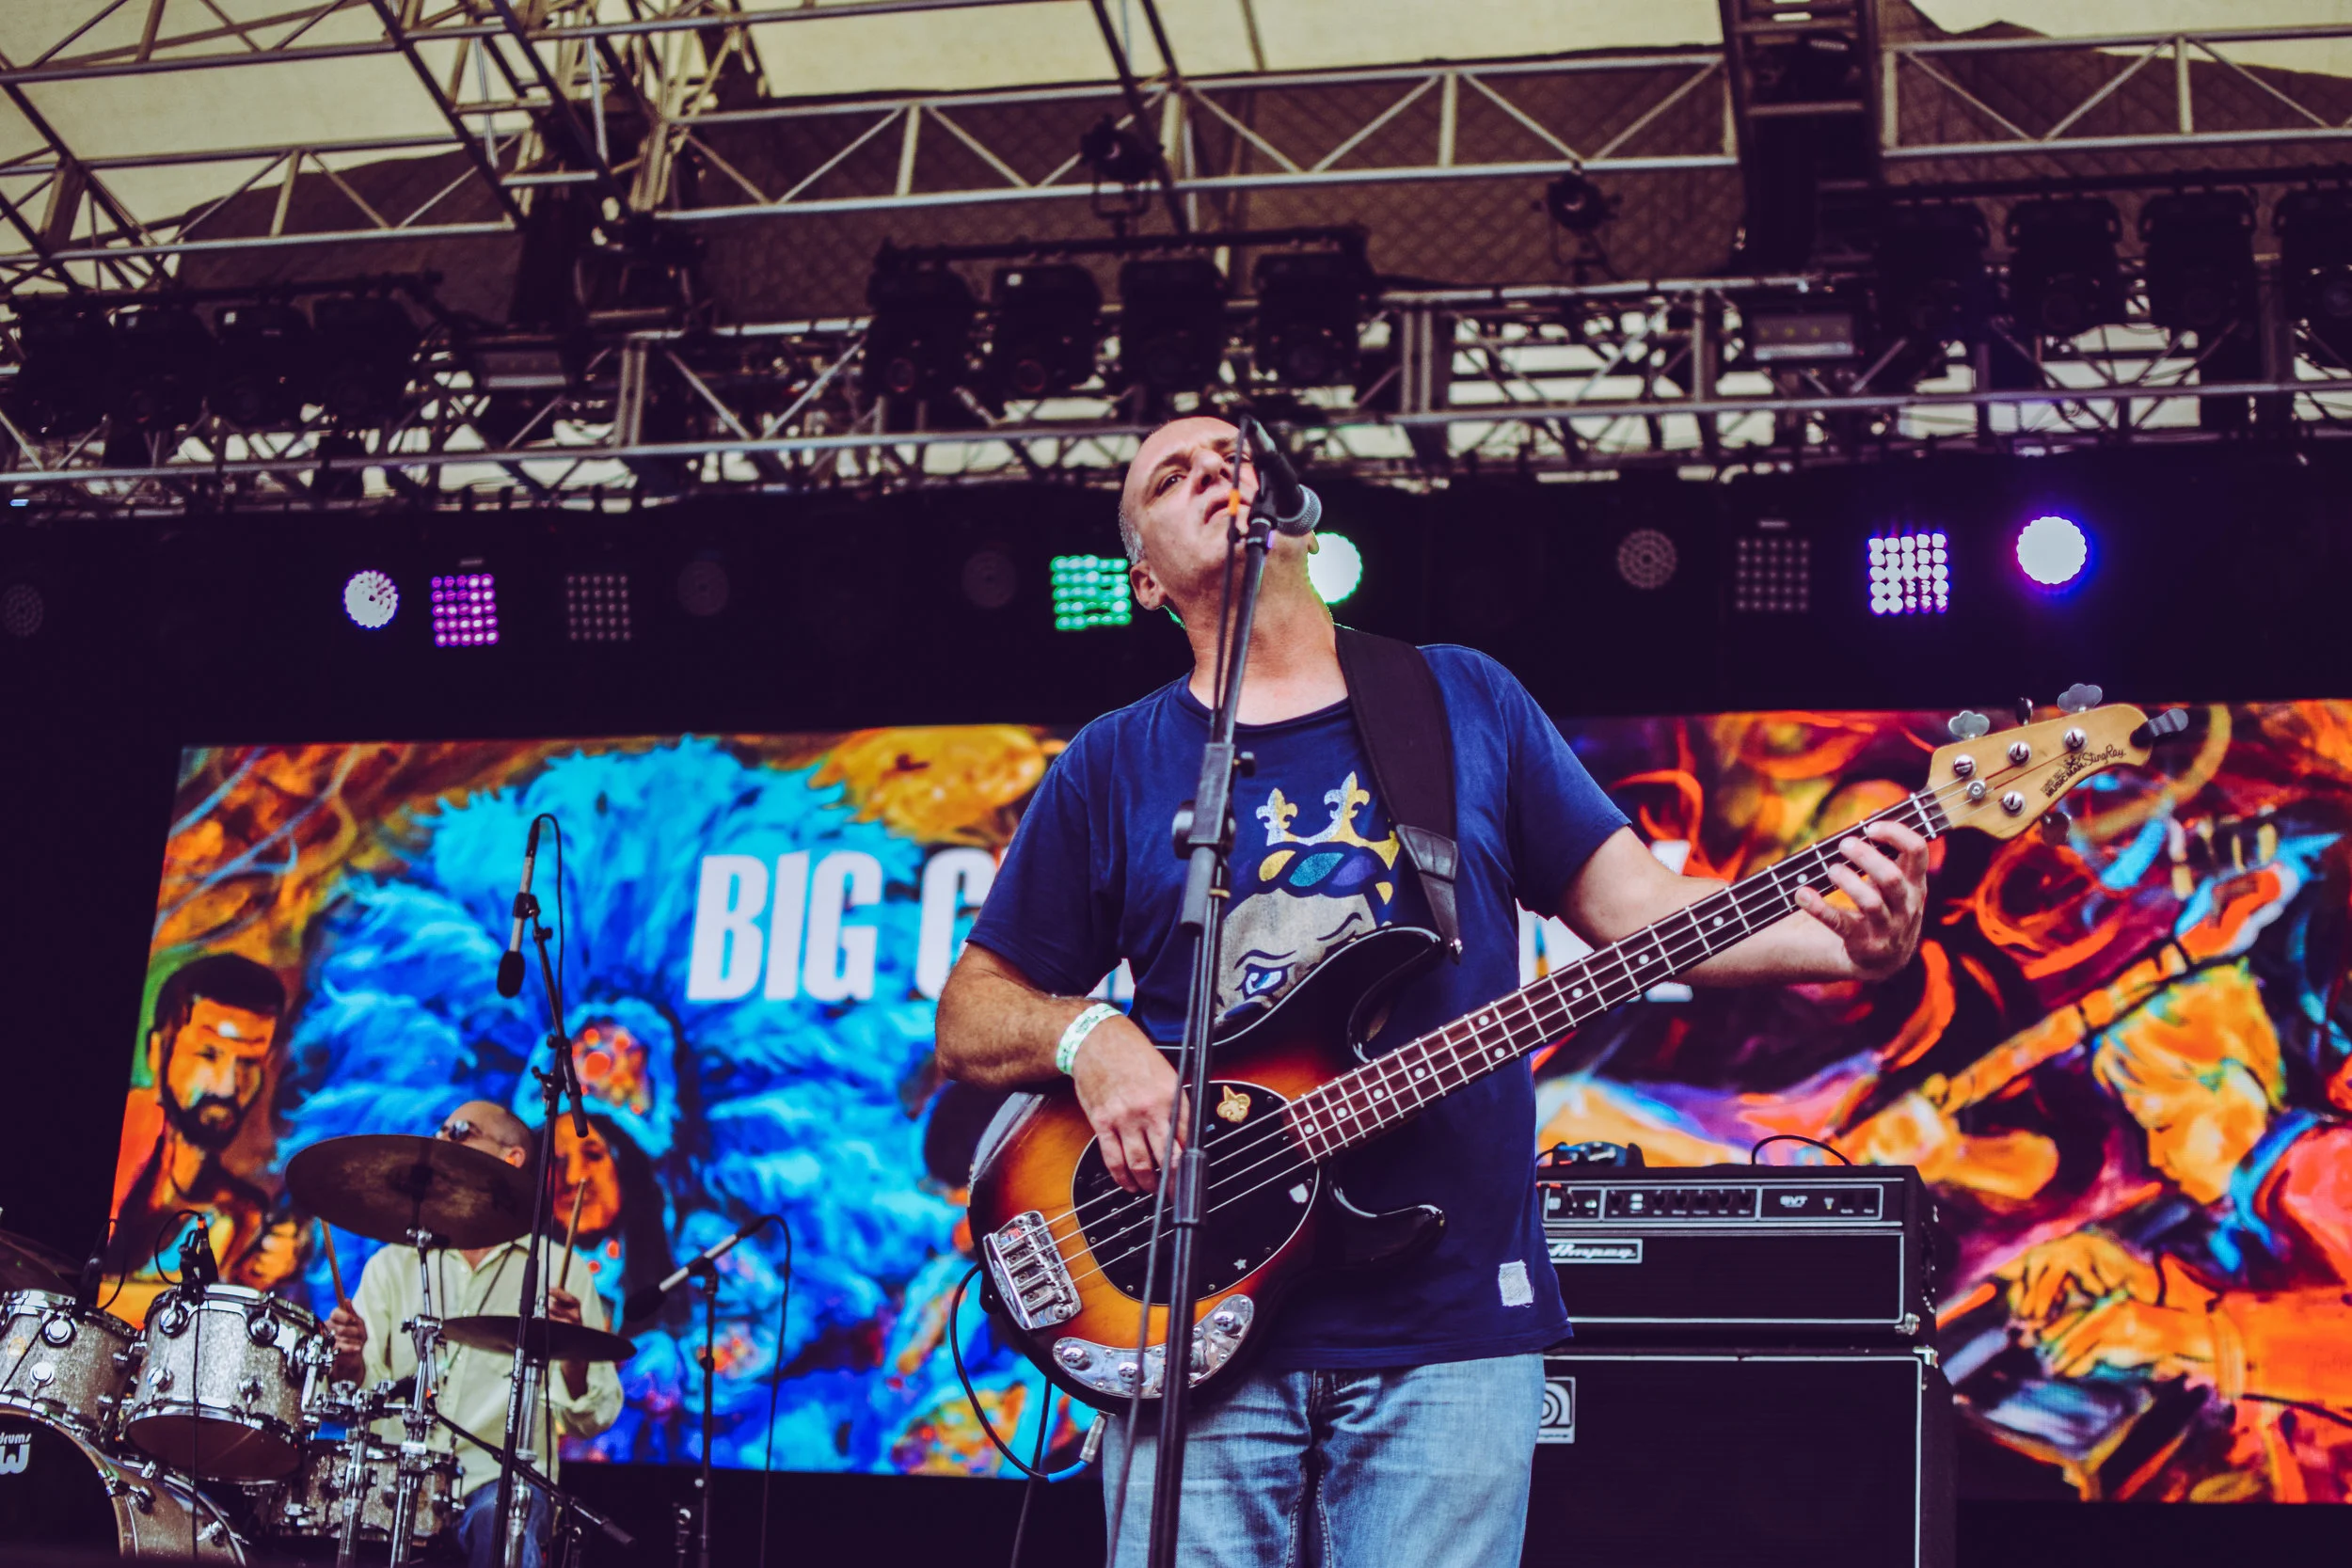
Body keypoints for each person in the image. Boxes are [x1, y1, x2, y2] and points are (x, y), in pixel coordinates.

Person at [933, 415, 1931, 1567]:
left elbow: (1642, 918)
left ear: (1297, 515)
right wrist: (1091, 1037)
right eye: (1173, 473)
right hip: (1180, 1301)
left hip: (1448, 1316)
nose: (1217, 473)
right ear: (1143, 576)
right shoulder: (1115, 758)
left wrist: (1848, 947)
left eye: (1237, 458)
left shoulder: (1460, 700)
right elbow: (970, 1013)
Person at [2003, 960, 2352, 1500]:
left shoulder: (2323, 1173)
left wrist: (2184, 1337)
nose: (2159, 1158)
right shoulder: (2259, 1204)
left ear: (2239, 1088)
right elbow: (2272, 1301)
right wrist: (2144, 1284)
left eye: (2164, 1124)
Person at [326, 1101, 625, 1567]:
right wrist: (349, 1361)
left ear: (511, 1159)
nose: (441, 1141)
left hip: (495, 1483)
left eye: (460, 1131)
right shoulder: (392, 1263)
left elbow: (595, 1417)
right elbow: (360, 1392)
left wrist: (574, 1357)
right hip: (394, 1479)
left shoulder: (555, 1269)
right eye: (440, 1129)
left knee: (502, 1521)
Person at [107, 952, 303, 1323]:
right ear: (157, 1052)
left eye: (249, 1063)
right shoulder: (126, 1136)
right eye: (208, 1055)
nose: (228, 1086)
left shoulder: (240, 1214)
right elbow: (67, 1286)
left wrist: (247, 1284)